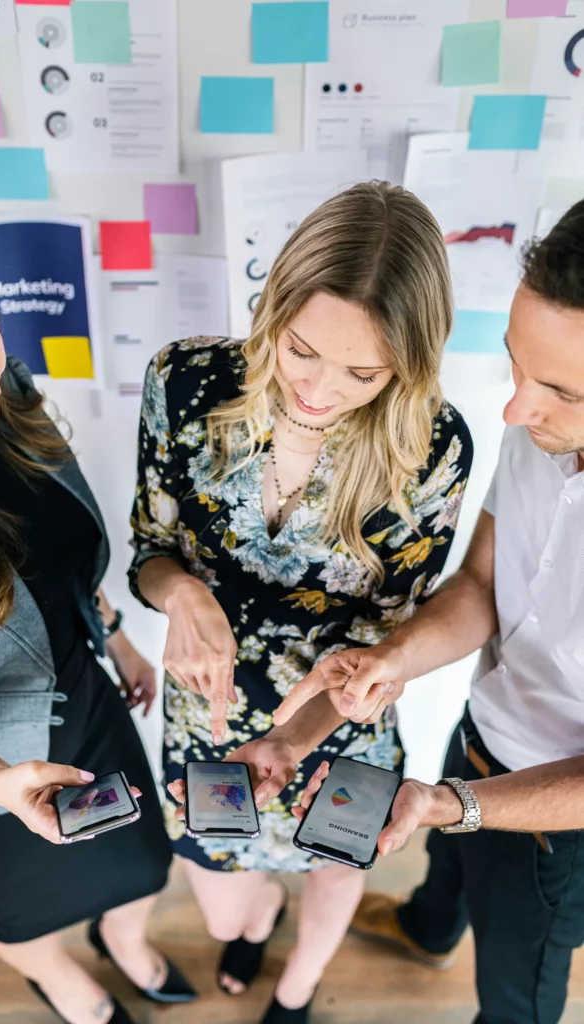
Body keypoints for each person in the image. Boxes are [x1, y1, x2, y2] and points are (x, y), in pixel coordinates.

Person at [128, 181, 473, 1023]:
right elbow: (149, 550)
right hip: (206, 705)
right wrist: (178, 595)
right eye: (300, 351)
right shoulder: (184, 383)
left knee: (334, 865)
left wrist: (295, 733)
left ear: (408, 361)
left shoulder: (431, 449)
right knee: (223, 898)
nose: (320, 390)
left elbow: (392, 632)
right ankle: (253, 926)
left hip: (340, 710)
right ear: (274, 305)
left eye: (363, 371)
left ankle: (298, 987)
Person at [274, 199, 584, 1024]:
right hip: (483, 729)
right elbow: (483, 584)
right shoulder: (540, 428)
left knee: (515, 995)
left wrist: (451, 804)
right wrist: (393, 659)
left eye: (560, 390)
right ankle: (426, 926)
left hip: (558, 818)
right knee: (444, 873)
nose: (515, 412)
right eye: (517, 366)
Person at [0, 207, 196, 1024]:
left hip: (85, 701)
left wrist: (119, 639)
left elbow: (56, 562)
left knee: (140, 862)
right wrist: (1, 784)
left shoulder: (2, 393)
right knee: (25, 910)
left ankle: (127, 942)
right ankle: (67, 983)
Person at [294, 755, 584, 854]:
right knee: (446, 863)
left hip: (557, 811)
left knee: (512, 968)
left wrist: (438, 804)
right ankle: (426, 931)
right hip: (475, 736)